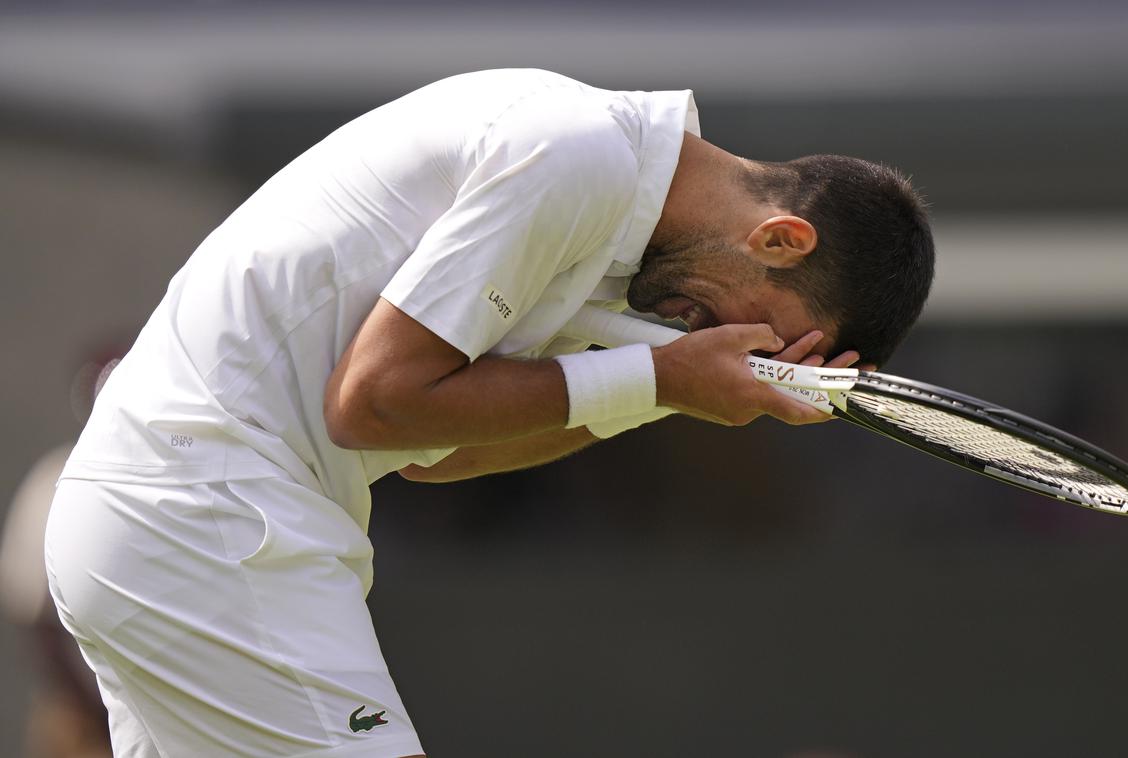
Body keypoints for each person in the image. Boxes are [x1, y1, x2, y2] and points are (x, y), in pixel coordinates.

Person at [45, 68, 934, 757]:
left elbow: (440, 455)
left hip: (165, 522)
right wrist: (664, 379)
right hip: (206, 516)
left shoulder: (603, 218)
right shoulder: (580, 156)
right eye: (764, 333)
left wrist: (669, 392)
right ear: (780, 240)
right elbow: (373, 402)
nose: (732, 343)